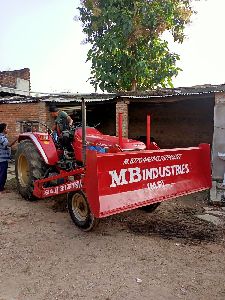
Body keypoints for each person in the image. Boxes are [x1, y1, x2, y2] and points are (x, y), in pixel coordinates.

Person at [0, 123, 18, 192]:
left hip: (3, 159)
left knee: (3, 174)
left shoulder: (3, 136)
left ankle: (1, 187)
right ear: (4, 130)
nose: (8, 129)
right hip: (2, 159)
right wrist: (16, 139)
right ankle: (0, 188)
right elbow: (9, 145)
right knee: (2, 174)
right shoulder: (1, 137)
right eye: (7, 128)